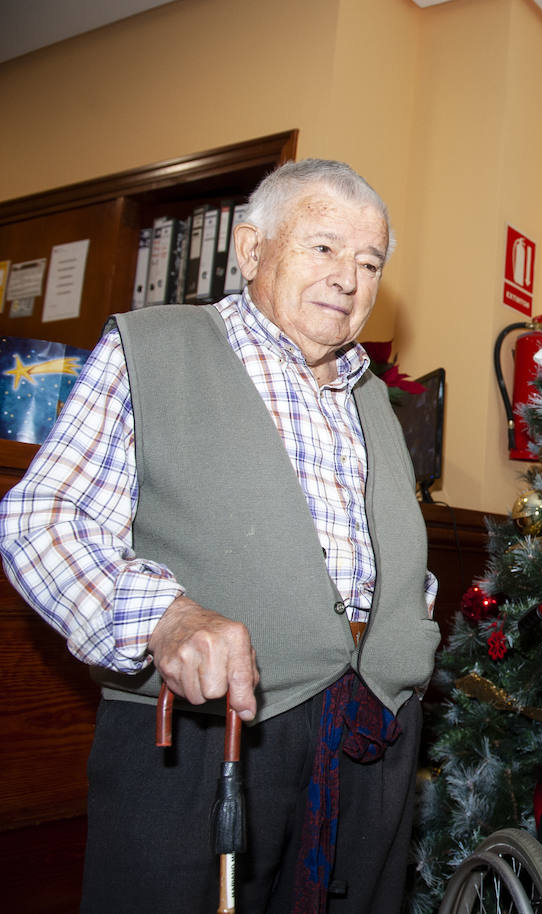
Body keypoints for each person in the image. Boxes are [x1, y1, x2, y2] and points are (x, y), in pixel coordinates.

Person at [0, 158, 440, 914]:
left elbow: (388, 555)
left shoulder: (374, 397)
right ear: (250, 250)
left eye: (370, 262)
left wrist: (410, 625)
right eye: (323, 247)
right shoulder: (156, 347)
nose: (349, 278)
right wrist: (167, 618)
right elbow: (42, 518)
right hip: (205, 737)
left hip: (372, 741)